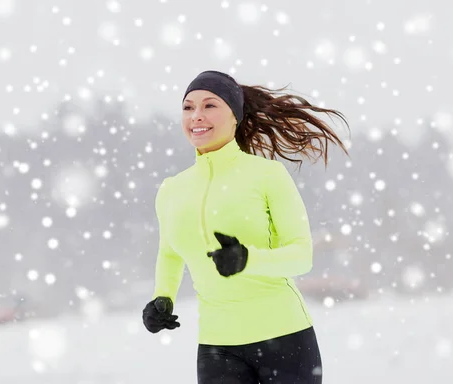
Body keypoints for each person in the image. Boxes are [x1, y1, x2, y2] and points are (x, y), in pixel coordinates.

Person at [142, 70, 349, 383]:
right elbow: (170, 253)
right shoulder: (172, 190)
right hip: (217, 348)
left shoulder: (268, 175)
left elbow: (301, 255)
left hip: (285, 339)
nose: (196, 115)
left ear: (235, 116)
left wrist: (247, 259)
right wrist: (162, 297)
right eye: (188, 107)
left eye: (210, 105)